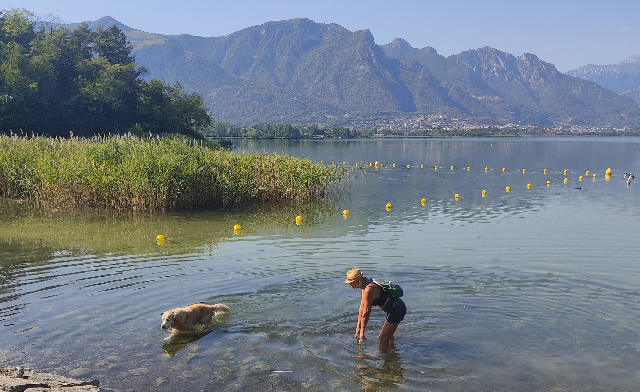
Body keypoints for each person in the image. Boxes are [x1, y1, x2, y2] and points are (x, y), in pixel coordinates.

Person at [345, 268, 406, 347]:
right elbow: (362, 308)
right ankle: (392, 353)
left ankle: (385, 357)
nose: (350, 285)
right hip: (394, 308)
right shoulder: (365, 285)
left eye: (351, 282)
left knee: (382, 338)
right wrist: (358, 327)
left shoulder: (369, 289)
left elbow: (366, 312)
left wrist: (362, 333)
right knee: (389, 337)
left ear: (357, 281)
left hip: (396, 310)